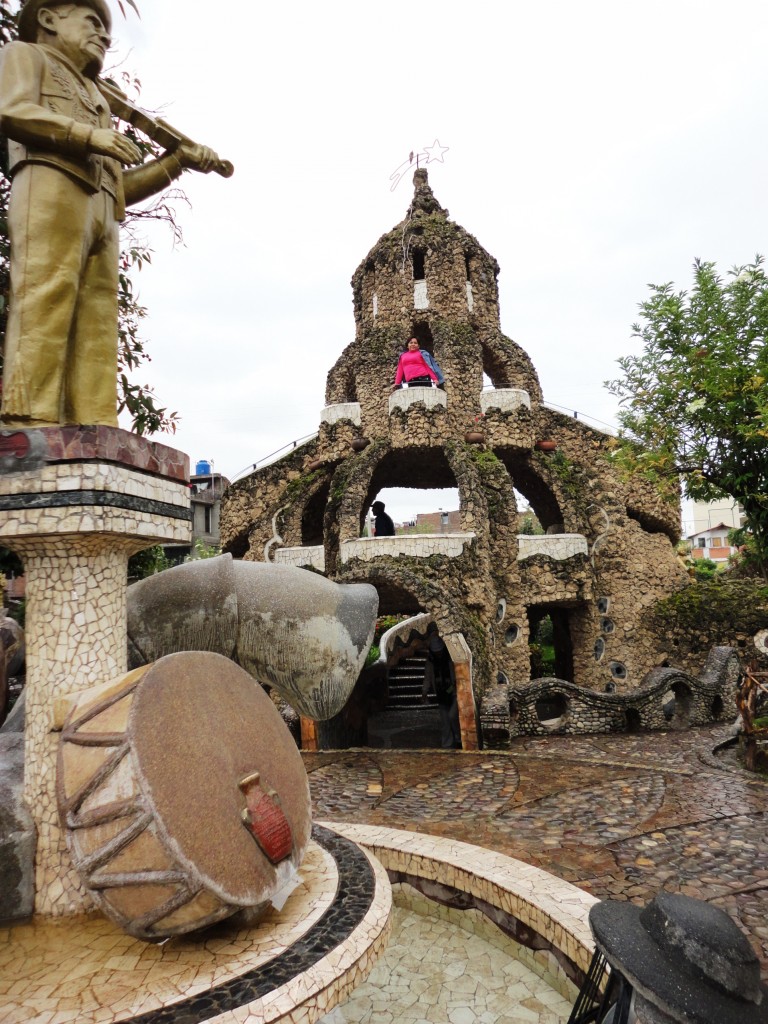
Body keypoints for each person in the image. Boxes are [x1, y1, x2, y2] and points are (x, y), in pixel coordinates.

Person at [0, 0, 222, 428]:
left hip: (102, 207)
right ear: (49, 19)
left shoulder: (98, 98)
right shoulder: (26, 55)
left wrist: (177, 163)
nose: (103, 33)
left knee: (98, 325)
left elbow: (122, 186)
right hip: (50, 184)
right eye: (92, 20)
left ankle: (95, 421)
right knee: (47, 296)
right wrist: (88, 136)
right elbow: (11, 110)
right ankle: (31, 419)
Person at [422, 634, 461, 749]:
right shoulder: (430, 662)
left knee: (452, 715)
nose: (438, 654)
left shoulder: (450, 659)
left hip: (454, 692)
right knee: (445, 720)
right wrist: (424, 692)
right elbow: (427, 677)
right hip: (441, 693)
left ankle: (458, 738)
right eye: (436, 652)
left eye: (439, 651)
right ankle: (447, 743)